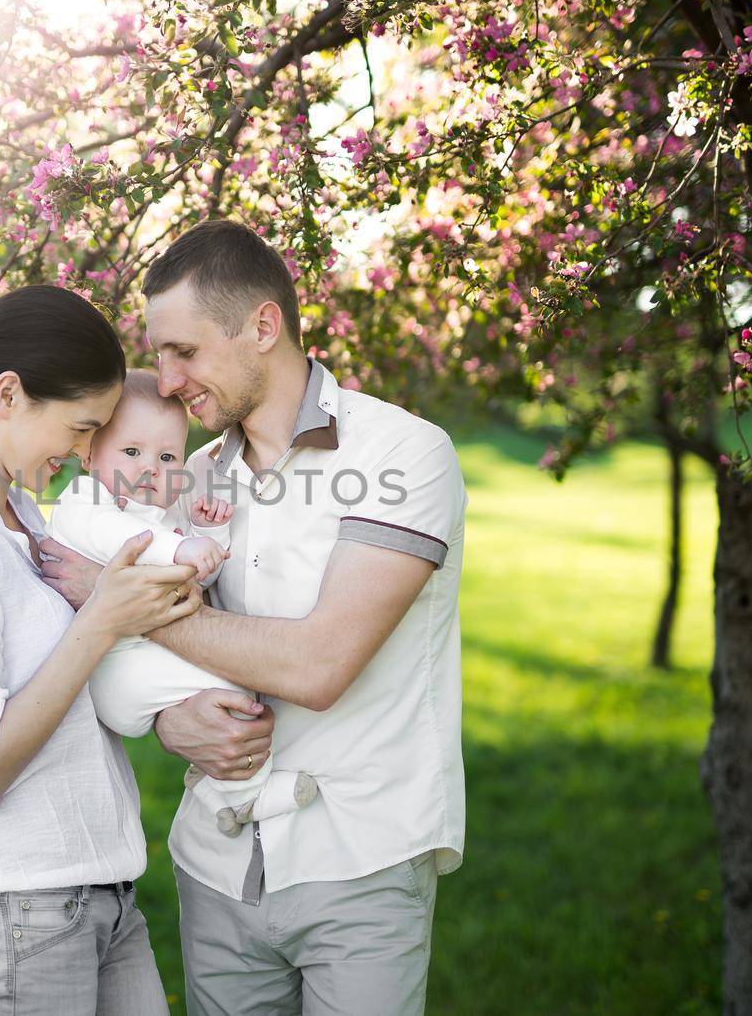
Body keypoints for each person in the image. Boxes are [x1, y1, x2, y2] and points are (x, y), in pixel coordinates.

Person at [40, 221, 468, 1015]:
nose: (164, 382)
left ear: (263, 327)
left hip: (362, 858)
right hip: (219, 860)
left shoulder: (401, 456)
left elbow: (318, 665)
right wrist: (172, 721)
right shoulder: (185, 477)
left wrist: (116, 597)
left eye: (185, 352)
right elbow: (149, 669)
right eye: (158, 355)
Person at [0, 285, 203, 1014]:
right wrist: (99, 623)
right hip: (16, 914)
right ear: (9, 395)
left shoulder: (17, 511)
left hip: (102, 897)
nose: (89, 452)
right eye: (83, 427)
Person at [47, 369, 320, 838]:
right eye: (131, 452)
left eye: (168, 456)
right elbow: (118, 540)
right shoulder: (84, 500)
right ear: (90, 454)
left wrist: (207, 534)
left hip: (145, 652)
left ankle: (222, 792)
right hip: (112, 667)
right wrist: (178, 547)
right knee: (227, 687)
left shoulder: (162, 512)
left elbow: (196, 576)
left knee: (232, 680)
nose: (151, 468)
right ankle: (247, 795)